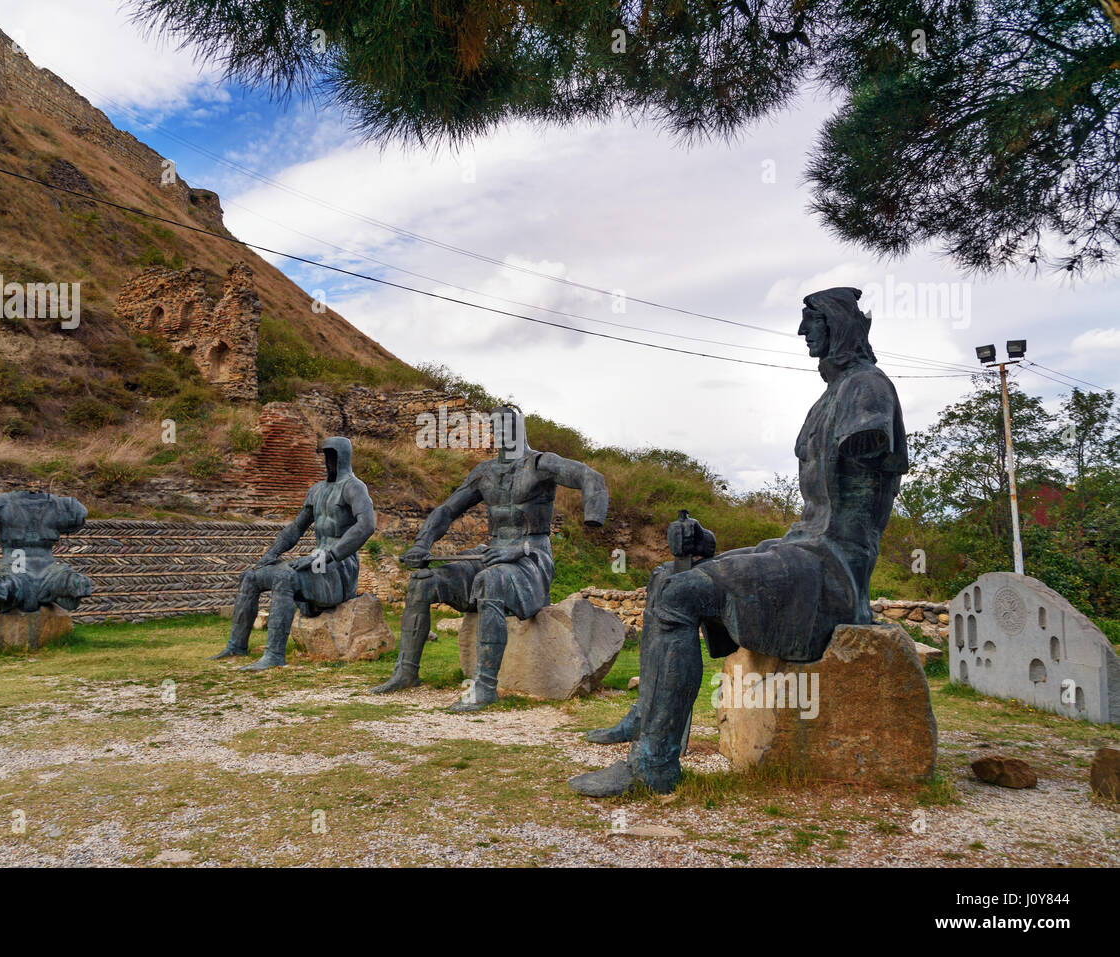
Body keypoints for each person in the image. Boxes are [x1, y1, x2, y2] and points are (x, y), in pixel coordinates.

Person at [570, 287, 908, 797]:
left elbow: (851, 499)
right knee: (668, 575)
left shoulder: (868, 388)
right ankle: (647, 719)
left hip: (834, 570)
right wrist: (709, 546)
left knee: (680, 595)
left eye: (812, 320)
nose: (802, 331)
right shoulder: (833, 396)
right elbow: (810, 519)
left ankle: (653, 764)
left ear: (838, 325)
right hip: (806, 548)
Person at [370, 405, 609, 711]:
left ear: (520, 428)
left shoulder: (541, 464)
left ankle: (484, 687)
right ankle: (406, 672)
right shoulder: (485, 473)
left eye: (507, 425)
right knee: (422, 581)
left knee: (489, 581)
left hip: (531, 559)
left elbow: (591, 476)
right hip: (492, 553)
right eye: (496, 427)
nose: (501, 432)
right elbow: (447, 510)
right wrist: (421, 544)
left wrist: (593, 517)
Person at [210, 436, 375, 671]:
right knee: (251, 577)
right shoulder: (317, 490)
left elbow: (366, 525)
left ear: (342, 457)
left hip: (339, 567)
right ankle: (236, 645)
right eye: (326, 456)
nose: (328, 461)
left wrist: (329, 556)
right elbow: (296, 527)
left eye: (332, 456)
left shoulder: (354, 487)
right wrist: (271, 553)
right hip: (317, 562)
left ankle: (274, 654)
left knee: (285, 577)